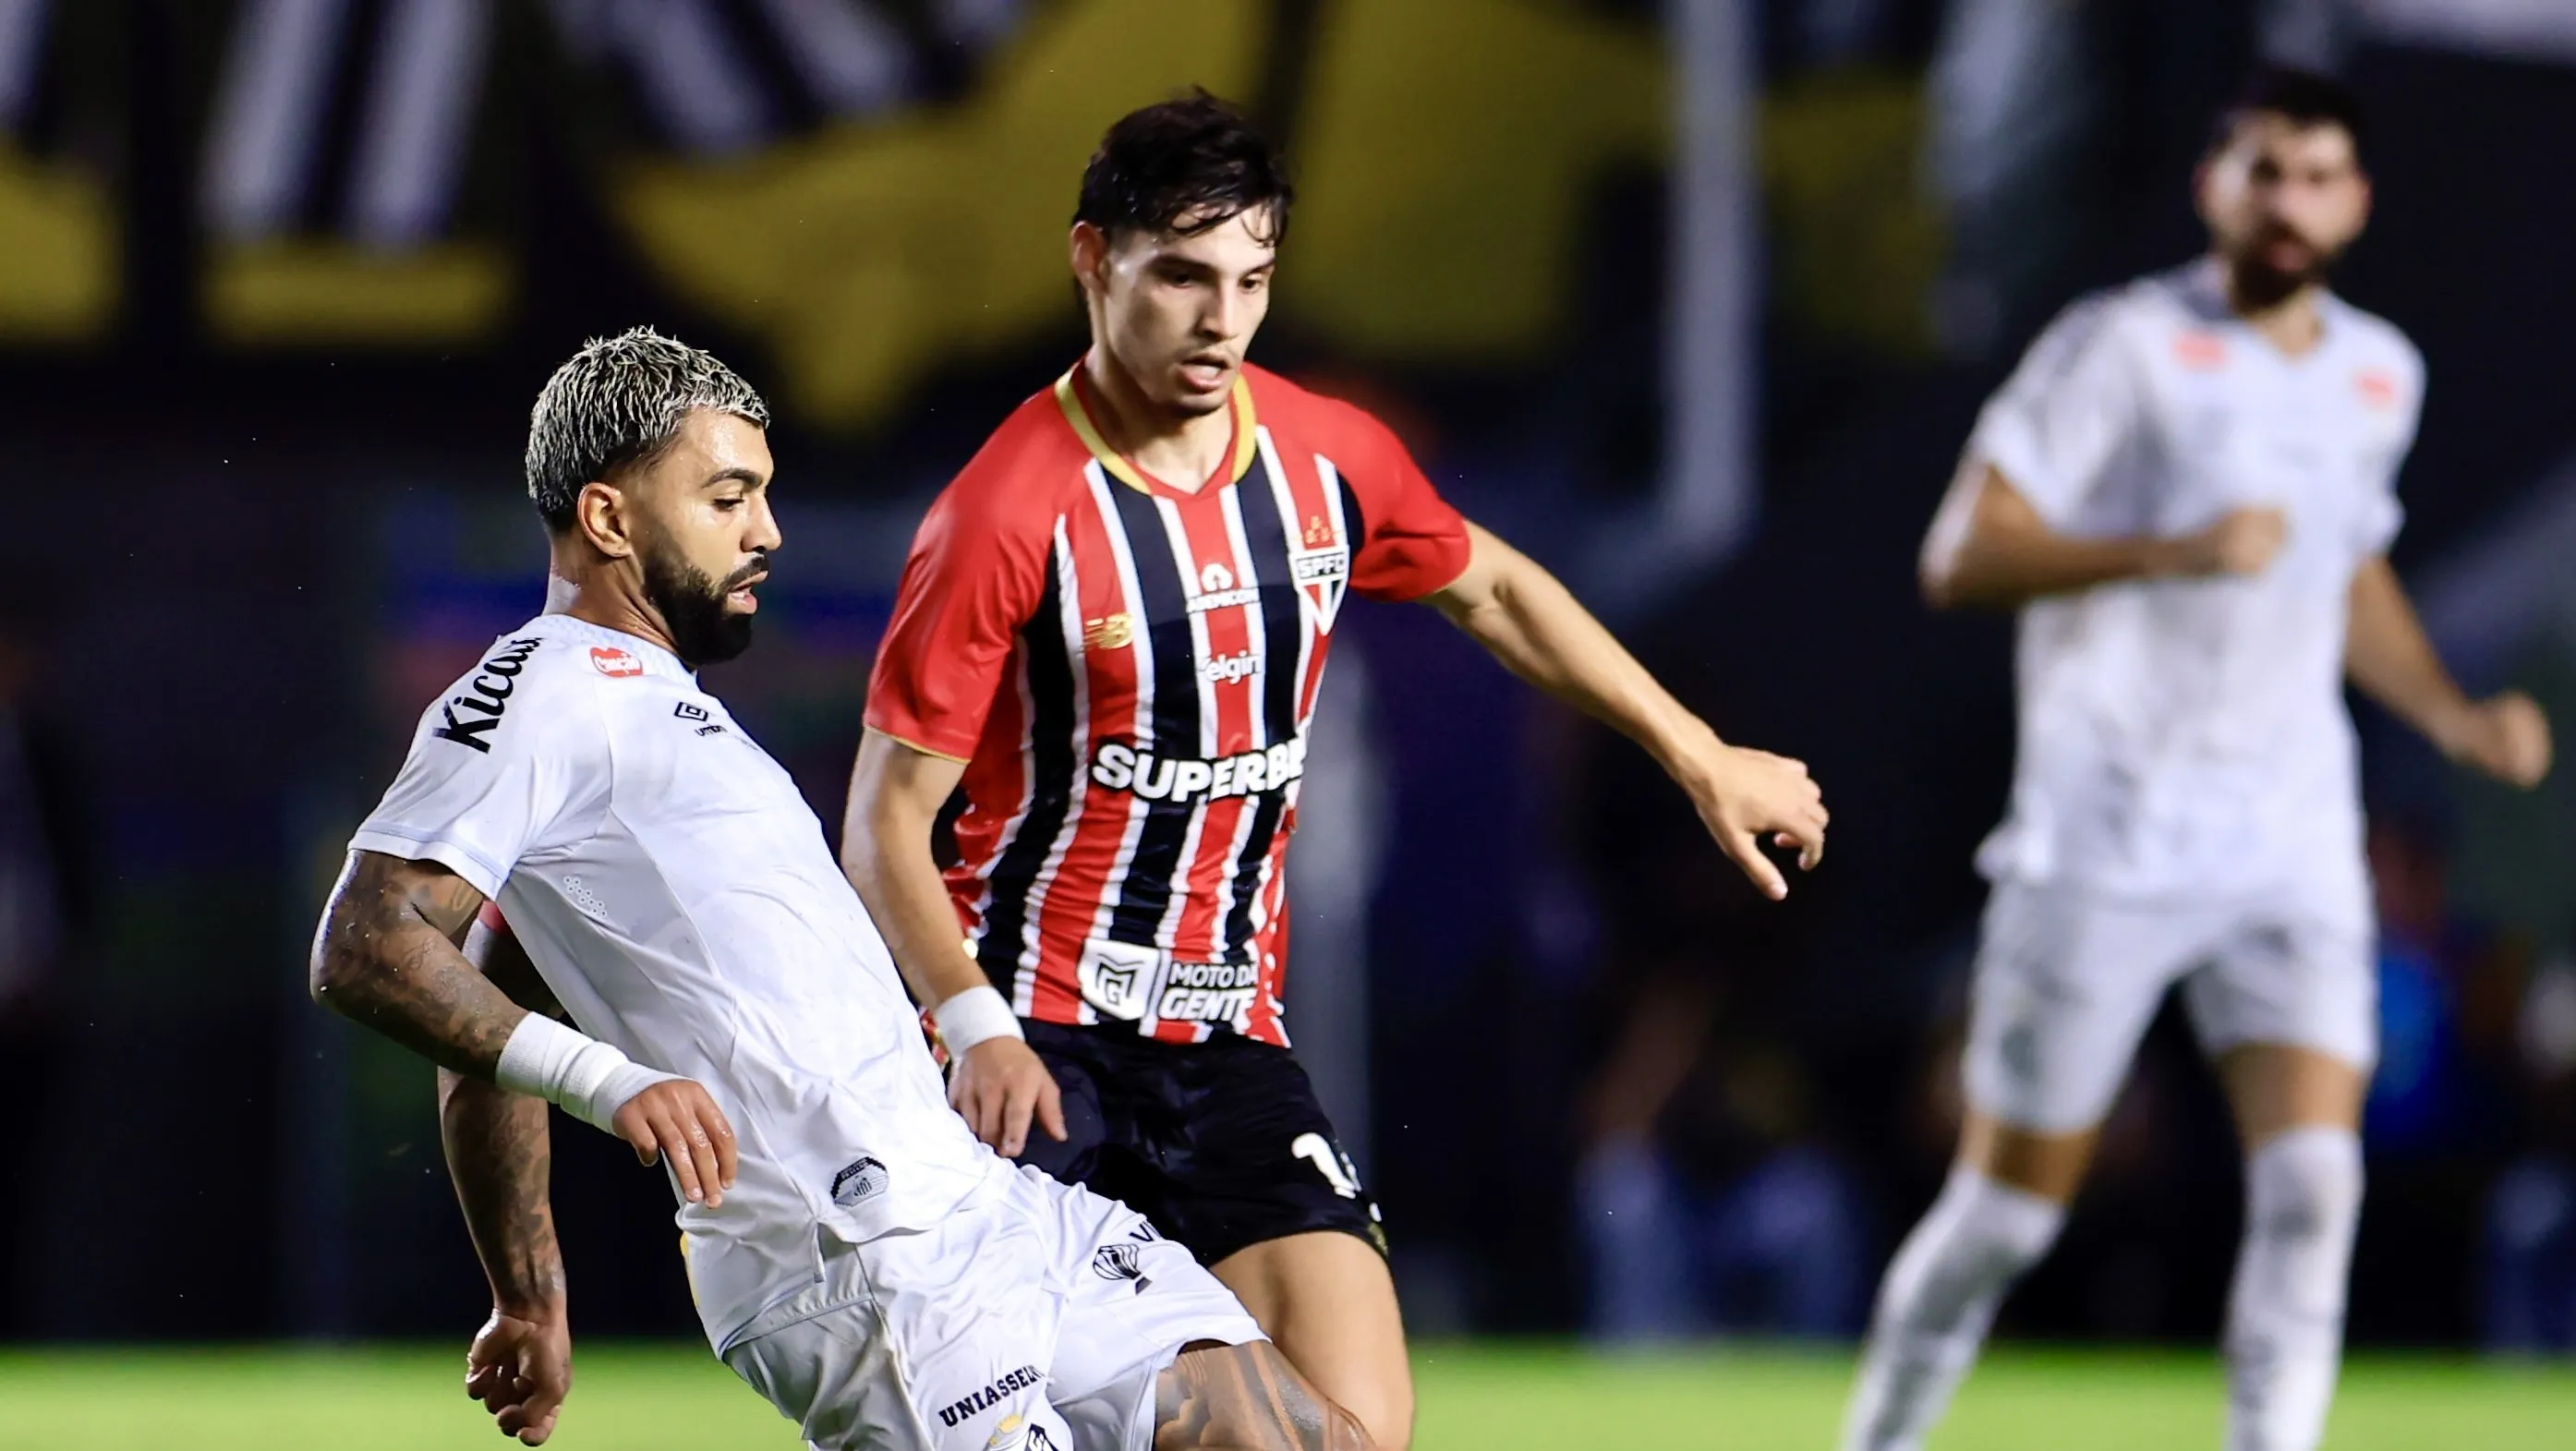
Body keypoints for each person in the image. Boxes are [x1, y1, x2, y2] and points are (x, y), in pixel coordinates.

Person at [841, 93, 1831, 1451]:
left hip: (1225, 1045)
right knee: (1017, 1422)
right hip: (1034, 1046)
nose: (1218, 318)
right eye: (1180, 274)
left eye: (1248, 278)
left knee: (1357, 1425)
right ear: (1092, 260)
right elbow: (886, 818)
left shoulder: (1320, 456)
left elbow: (1491, 586)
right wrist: (971, 1024)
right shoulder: (1006, 511)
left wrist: (1698, 754)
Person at [311, 327, 1376, 1451]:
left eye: (764, 495)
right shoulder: (538, 688)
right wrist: (605, 1079)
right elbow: (365, 940)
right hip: (855, 1254)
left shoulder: (656, 708)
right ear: (609, 518)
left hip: (979, 1206)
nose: (765, 531)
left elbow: (490, 1006)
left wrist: (529, 1295)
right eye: (727, 497)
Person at [1842, 69, 2554, 1451]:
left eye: (2314, 177)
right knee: (2007, 1211)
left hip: (2288, 836)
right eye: (2262, 172)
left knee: (2312, 1186)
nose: (2286, 203)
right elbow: (1959, 553)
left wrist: (2450, 712)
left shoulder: (2374, 370)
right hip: (2105, 834)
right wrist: (2162, 549)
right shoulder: (2120, 348)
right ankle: (1877, 1433)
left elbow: (2345, 569)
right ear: (2211, 186)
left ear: (2353, 201)